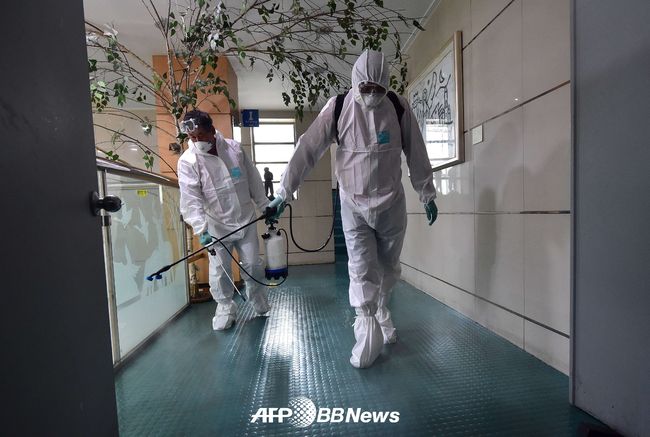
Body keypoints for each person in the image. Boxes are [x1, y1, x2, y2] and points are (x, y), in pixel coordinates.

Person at [269, 49, 438, 368]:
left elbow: (417, 151)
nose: (372, 94)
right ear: (356, 81)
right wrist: (284, 191)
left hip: (391, 204)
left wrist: (426, 193)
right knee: (361, 268)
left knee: (388, 268)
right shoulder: (339, 108)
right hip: (353, 205)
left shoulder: (398, 107)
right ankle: (366, 331)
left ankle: (381, 311)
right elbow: (308, 148)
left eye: (378, 88)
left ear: (386, 85)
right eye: (366, 87)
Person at [178, 109, 271, 330]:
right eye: (192, 137)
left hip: (245, 219)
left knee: (253, 264)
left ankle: (258, 298)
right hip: (216, 226)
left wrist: (265, 205)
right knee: (220, 270)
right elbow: (191, 198)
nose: (197, 141)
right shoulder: (188, 161)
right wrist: (201, 229)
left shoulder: (234, 148)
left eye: (200, 135)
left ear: (212, 130)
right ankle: (225, 307)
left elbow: (253, 179)